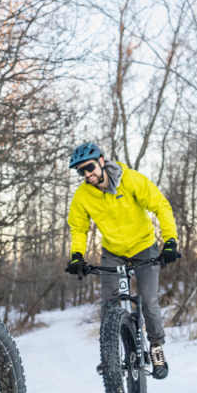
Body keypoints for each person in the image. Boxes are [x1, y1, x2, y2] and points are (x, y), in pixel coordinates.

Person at [64, 142, 180, 379]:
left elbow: (161, 205)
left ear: (101, 161)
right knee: (108, 304)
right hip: (113, 252)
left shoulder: (131, 180)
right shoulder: (83, 195)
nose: (87, 174)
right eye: (81, 171)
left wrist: (170, 241)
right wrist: (77, 256)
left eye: (89, 167)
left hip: (144, 247)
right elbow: (78, 228)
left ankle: (156, 348)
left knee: (148, 301)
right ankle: (110, 354)